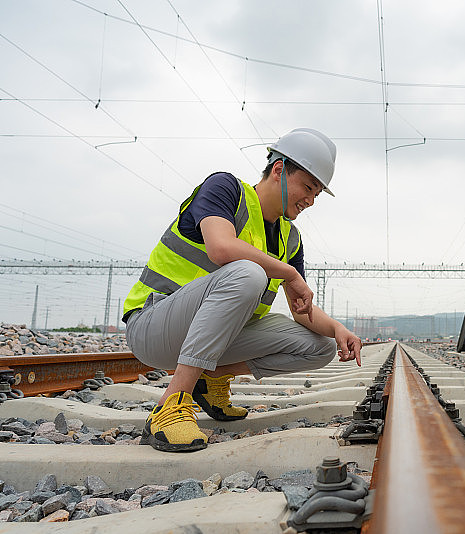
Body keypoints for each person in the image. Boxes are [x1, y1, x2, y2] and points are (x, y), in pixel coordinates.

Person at [123, 128, 362, 452]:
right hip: (153, 325)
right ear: (279, 169)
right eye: (307, 187)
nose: (310, 200)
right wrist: (288, 272)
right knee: (249, 273)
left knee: (321, 347)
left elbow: (301, 311)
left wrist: (337, 329)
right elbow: (221, 248)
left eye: (317, 194)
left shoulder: (289, 239)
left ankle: (212, 377)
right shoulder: (225, 189)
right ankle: (171, 405)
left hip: (212, 341)